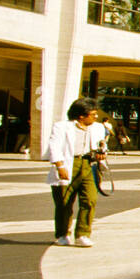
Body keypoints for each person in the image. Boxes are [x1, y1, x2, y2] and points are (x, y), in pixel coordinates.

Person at [46, 97, 107, 247]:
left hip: (89, 165)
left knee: (90, 200)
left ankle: (83, 234)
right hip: (69, 164)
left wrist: (102, 153)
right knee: (64, 201)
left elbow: (102, 145)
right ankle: (62, 234)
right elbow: (54, 146)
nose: (96, 117)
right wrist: (60, 166)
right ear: (81, 115)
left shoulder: (98, 128)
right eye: (93, 114)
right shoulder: (61, 127)